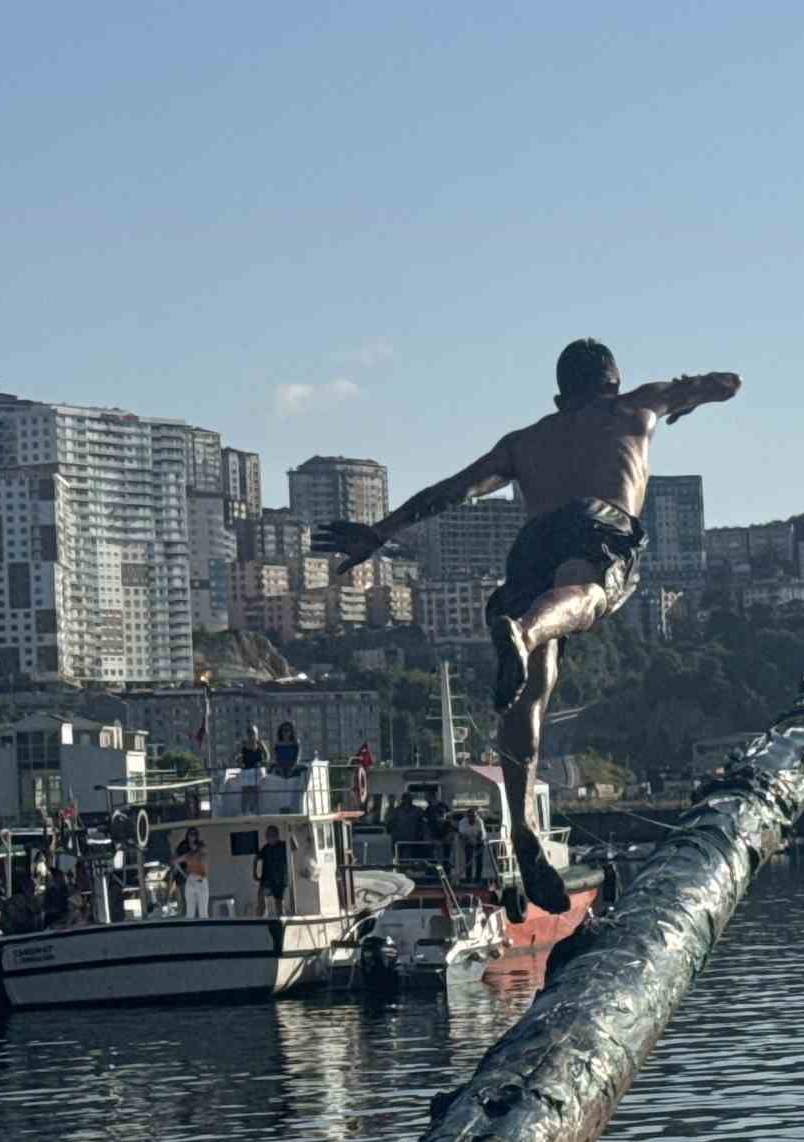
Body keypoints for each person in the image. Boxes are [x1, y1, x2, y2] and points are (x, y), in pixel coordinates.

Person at [316, 340, 741, 916]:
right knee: (588, 596)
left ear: (560, 396)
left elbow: (452, 489)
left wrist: (379, 532)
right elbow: (725, 383)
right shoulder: (635, 407)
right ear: (612, 384)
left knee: (529, 694)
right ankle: (523, 631)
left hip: (532, 542)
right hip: (598, 520)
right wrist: (692, 392)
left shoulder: (527, 441)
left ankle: (520, 827)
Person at [254, 825, 289, 918]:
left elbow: (295, 847)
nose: (268, 837)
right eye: (267, 835)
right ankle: (261, 920)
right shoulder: (266, 848)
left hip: (279, 880)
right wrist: (254, 873)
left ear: (277, 835)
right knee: (261, 895)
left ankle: (282, 922)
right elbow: (256, 859)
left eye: (270, 834)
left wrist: (291, 834)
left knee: (279, 903)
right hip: (267, 880)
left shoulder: (284, 846)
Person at [174, 827, 210, 918]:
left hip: (200, 879)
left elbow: (204, 853)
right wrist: (184, 875)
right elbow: (175, 861)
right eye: (190, 835)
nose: (192, 837)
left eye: (194, 835)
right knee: (190, 913)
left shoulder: (200, 850)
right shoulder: (186, 852)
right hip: (191, 879)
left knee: (202, 913)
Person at [240, 726, 270, 813]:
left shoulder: (260, 744)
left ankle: (253, 810)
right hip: (246, 770)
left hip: (257, 770)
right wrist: (239, 762)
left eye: (253, 732)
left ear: (256, 734)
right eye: (249, 732)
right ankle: (244, 811)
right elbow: (236, 756)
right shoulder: (243, 745)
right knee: (245, 790)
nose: (251, 735)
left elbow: (267, 756)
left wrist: (262, 763)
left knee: (255, 789)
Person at [458, 808, 487, 884]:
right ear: (467, 817)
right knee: (469, 860)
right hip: (468, 841)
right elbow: (462, 835)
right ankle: (468, 879)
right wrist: (470, 842)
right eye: (470, 816)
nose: (472, 818)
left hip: (479, 841)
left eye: (474, 816)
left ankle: (478, 879)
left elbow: (480, 834)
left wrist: (477, 842)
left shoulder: (479, 821)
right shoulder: (462, 822)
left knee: (479, 861)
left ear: (476, 816)